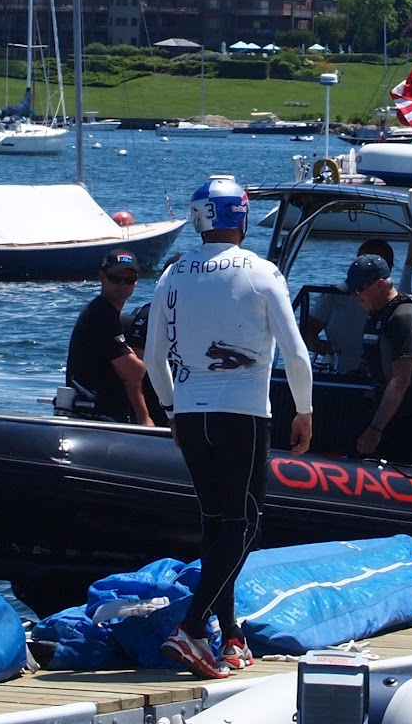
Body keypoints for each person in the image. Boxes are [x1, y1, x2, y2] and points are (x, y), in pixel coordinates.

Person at [146, 176, 313, 681]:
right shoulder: (263, 274)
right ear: (241, 217)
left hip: (191, 414)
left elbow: (154, 359)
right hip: (243, 414)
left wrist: (173, 411)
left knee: (217, 522)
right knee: (243, 525)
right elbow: (297, 352)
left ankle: (228, 629)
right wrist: (304, 410)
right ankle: (193, 626)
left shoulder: (171, 276)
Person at [347, 253, 412, 466]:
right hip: (394, 413)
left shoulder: (404, 317)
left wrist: (375, 429)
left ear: (380, 284)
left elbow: (401, 380)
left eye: (358, 291)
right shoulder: (379, 314)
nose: (354, 297)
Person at [64, 250, 154, 426]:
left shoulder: (109, 314)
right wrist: (145, 419)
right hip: (95, 415)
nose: (123, 285)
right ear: (101, 277)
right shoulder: (100, 314)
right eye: (115, 278)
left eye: (129, 280)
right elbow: (133, 371)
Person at [304, 237, 394, 370]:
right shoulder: (334, 296)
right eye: (360, 260)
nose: (355, 296)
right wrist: (321, 347)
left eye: (373, 263)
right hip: (335, 372)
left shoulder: (400, 309)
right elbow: (306, 332)